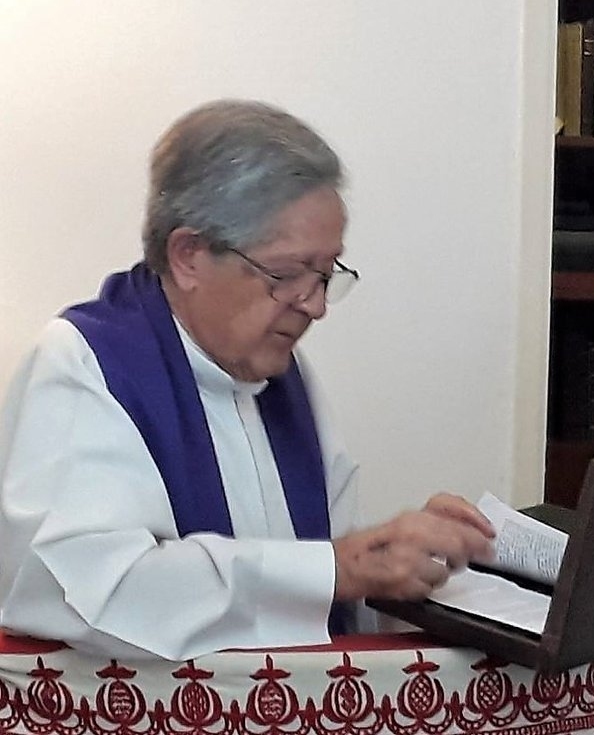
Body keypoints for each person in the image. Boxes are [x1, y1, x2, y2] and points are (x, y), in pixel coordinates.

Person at [0, 99, 495, 661]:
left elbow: (331, 579)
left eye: (326, 273)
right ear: (188, 255)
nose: (314, 305)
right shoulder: (85, 365)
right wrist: (344, 567)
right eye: (286, 273)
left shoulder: (283, 376)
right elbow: (88, 593)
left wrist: (413, 562)